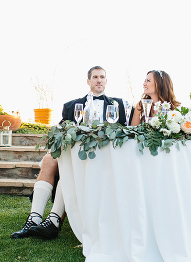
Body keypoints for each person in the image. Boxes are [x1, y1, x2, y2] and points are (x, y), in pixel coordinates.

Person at [11, 66, 127, 239]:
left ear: (106, 81)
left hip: (103, 156)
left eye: (102, 77)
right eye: (95, 77)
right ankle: (33, 219)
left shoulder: (118, 105)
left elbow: (123, 133)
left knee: (70, 164)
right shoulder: (72, 106)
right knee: (50, 159)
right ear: (88, 81)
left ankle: (54, 219)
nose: (99, 80)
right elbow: (62, 133)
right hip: (74, 152)